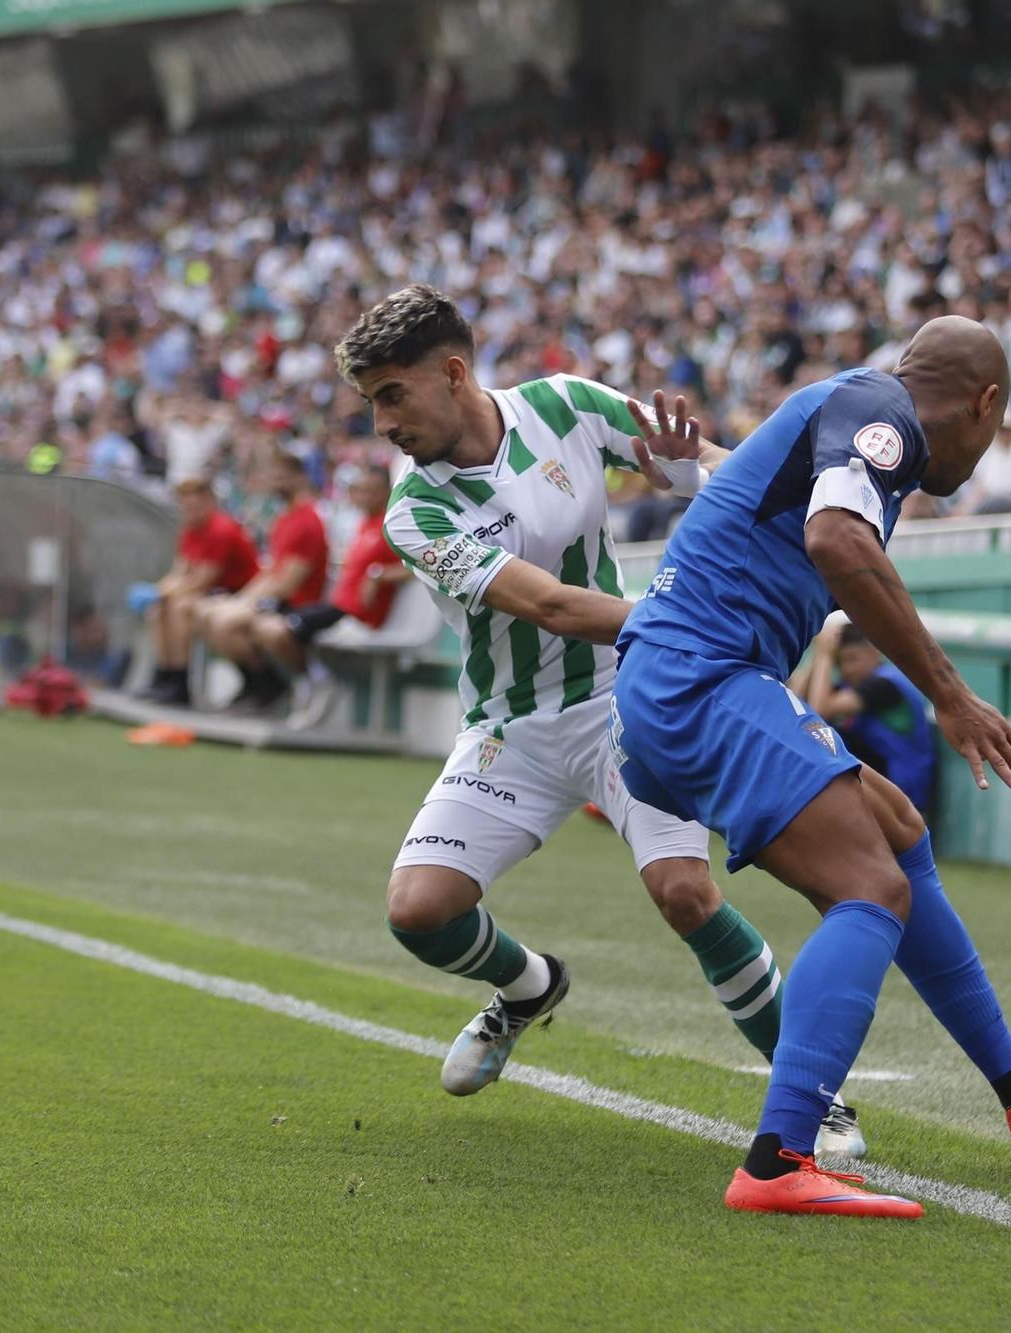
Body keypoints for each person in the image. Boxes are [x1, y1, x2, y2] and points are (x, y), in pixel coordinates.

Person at [335, 285, 864, 1156]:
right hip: (512, 724)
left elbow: (708, 469)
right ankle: (530, 987)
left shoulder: (564, 403)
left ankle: (816, 1097)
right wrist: (685, 621)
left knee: (686, 893)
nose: (381, 422)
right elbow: (546, 604)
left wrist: (696, 473)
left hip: (627, 698)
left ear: (454, 373)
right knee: (419, 911)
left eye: (391, 395)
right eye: (370, 403)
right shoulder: (414, 510)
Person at [613, 317, 1011, 1218]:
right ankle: (778, 1157)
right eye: (995, 429)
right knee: (869, 892)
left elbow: (768, 487)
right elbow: (838, 544)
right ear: (984, 403)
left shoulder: (853, 409)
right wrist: (950, 694)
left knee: (897, 832)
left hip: (702, 676)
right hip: (700, 676)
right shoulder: (881, 414)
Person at [243, 463, 408, 726]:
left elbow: (415, 566)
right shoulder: (365, 524)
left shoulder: (394, 528)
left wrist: (380, 576)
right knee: (260, 623)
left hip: (354, 614)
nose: (364, 497)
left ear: (387, 492)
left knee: (274, 630)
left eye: (372, 491)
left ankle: (316, 682)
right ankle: (310, 681)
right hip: (336, 607)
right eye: (360, 491)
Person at [195, 451, 329, 712]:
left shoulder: (307, 520)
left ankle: (272, 689)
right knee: (207, 613)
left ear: (300, 477)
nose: (276, 481)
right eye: (273, 475)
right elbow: (269, 573)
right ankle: (256, 686)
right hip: (275, 600)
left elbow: (288, 584)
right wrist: (240, 600)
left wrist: (244, 606)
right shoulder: (285, 518)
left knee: (224, 621)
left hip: (296, 606)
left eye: (282, 476)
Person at [791, 622, 938, 820]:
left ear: (874, 653)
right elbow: (795, 705)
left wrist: (825, 656)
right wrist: (817, 655)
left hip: (902, 793)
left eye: (853, 659)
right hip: (877, 784)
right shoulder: (851, 686)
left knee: (823, 735)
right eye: (840, 662)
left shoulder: (885, 684)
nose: (846, 669)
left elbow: (818, 713)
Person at [142, 478, 259, 706]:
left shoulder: (221, 529)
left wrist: (165, 592)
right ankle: (167, 676)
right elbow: (181, 571)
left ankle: (180, 683)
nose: (188, 512)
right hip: (211, 593)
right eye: (184, 506)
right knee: (159, 607)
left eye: (193, 507)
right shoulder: (190, 529)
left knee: (178, 606)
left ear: (209, 501)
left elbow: (203, 580)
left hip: (235, 594)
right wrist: (157, 591)